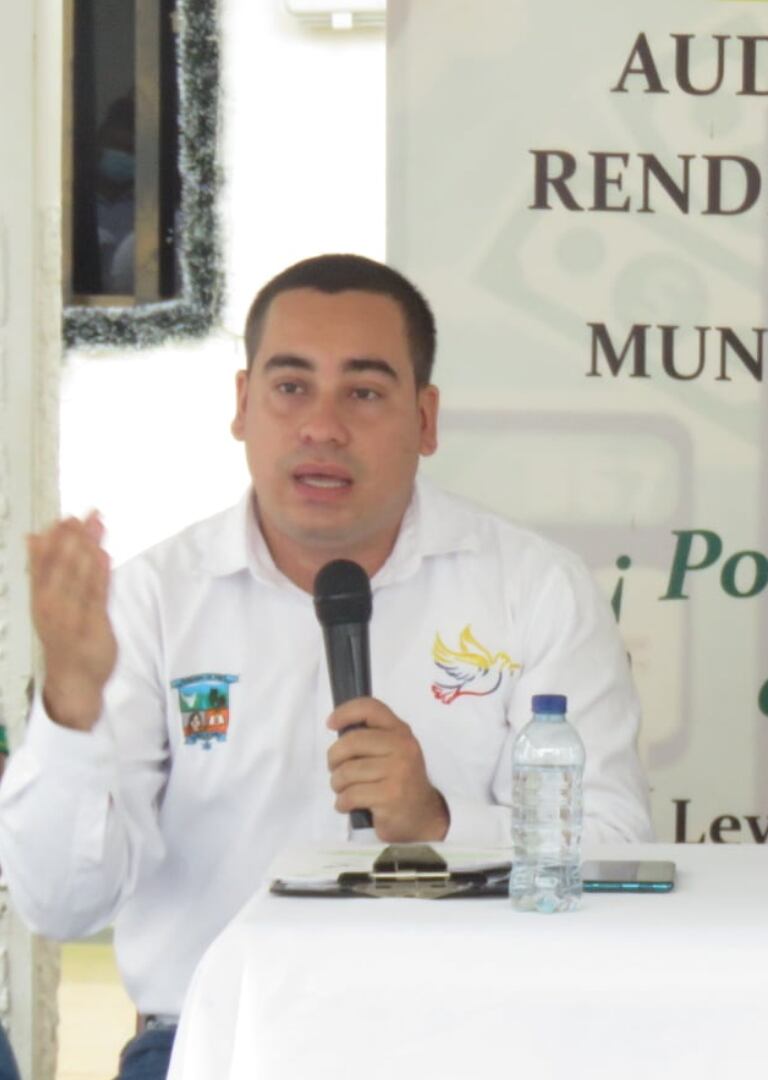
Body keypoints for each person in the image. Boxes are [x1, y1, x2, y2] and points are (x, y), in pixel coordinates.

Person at [0, 254, 654, 1078]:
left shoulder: (534, 590)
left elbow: (616, 851)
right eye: (291, 387)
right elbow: (58, 905)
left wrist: (437, 826)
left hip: (470, 1041)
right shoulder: (152, 602)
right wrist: (70, 707)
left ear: (426, 420)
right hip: (214, 1042)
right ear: (243, 406)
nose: (322, 427)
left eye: (365, 393)